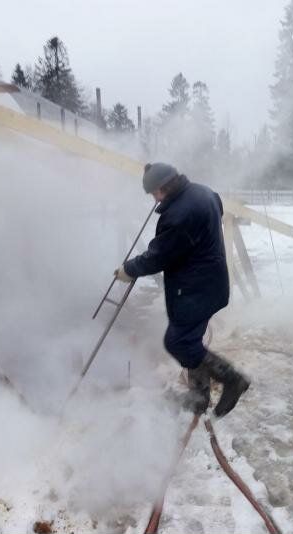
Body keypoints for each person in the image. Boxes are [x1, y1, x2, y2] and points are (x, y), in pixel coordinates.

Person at [114, 162, 249, 416]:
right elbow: (212, 216)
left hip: (195, 290)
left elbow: (158, 257)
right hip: (212, 282)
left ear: (164, 187)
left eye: (154, 193)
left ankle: (232, 379)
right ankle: (199, 397)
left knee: (178, 342)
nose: (154, 199)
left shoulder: (178, 215)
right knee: (190, 339)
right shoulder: (205, 192)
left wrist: (129, 269)